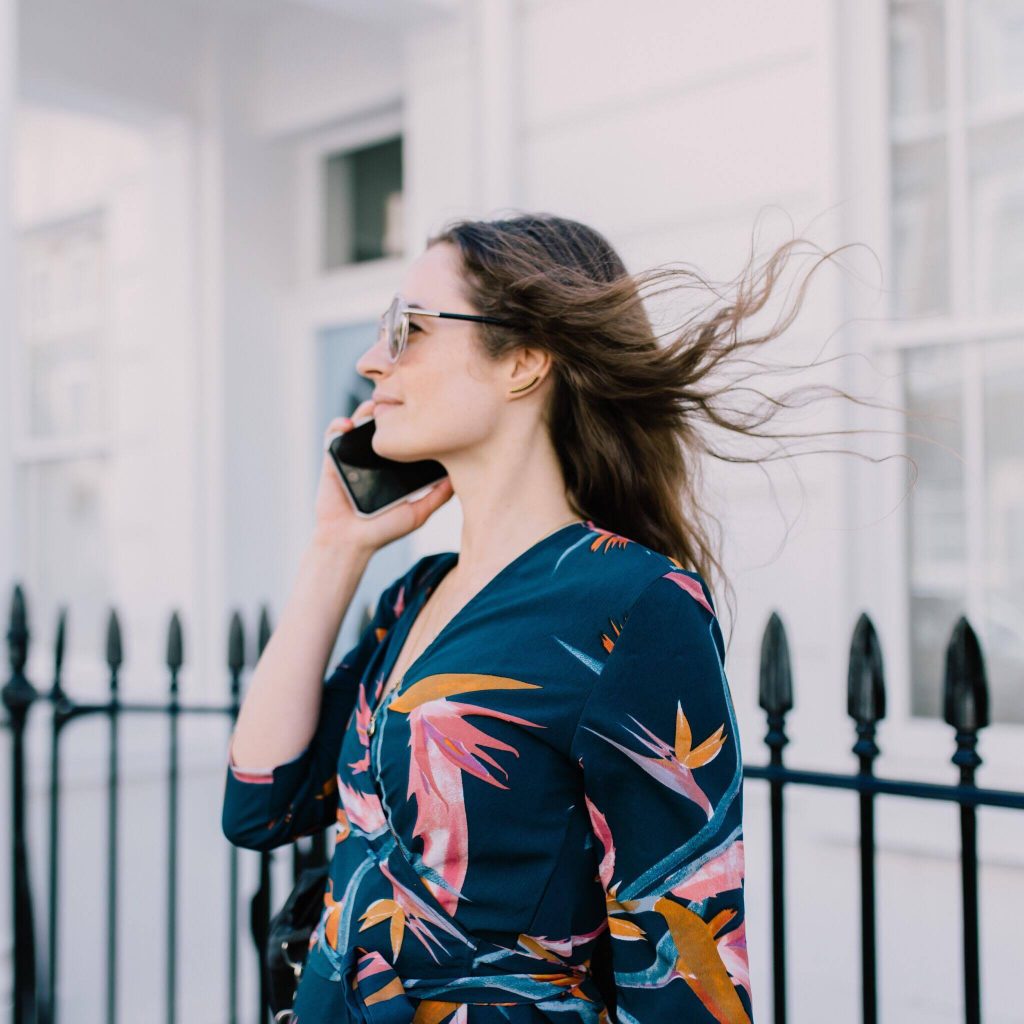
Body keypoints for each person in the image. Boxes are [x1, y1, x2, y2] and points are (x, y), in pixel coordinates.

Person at [222, 213, 856, 1023]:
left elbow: (684, 963)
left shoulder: (633, 606)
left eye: (406, 328)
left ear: (522, 360)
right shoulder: (416, 596)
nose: (370, 359)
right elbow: (259, 806)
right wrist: (335, 548)